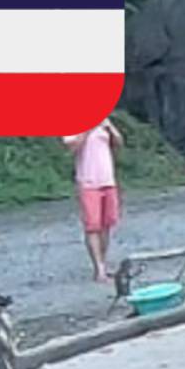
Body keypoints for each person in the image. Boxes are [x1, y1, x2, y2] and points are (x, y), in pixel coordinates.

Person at [63, 118, 124, 283]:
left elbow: (119, 143)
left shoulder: (104, 121)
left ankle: (103, 262)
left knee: (107, 224)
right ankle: (99, 269)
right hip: (88, 181)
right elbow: (72, 147)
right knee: (92, 226)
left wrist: (110, 128)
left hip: (107, 179)